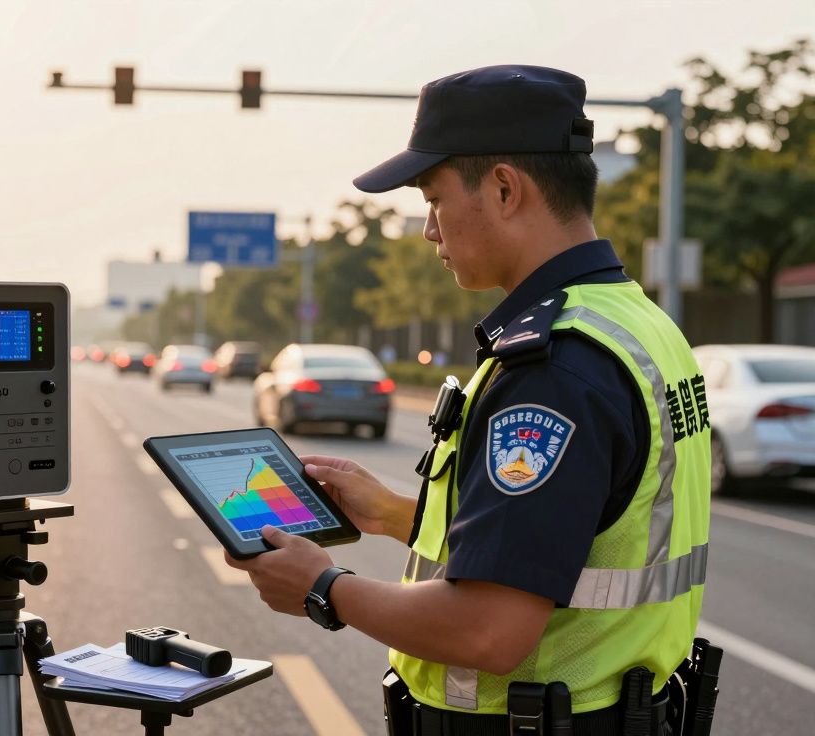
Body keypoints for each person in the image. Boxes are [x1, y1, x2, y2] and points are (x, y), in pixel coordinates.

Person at [225, 65, 711, 733]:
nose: (429, 229)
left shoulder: (554, 370)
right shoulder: (639, 323)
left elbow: (489, 632)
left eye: (433, 198)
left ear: (505, 188)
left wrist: (323, 588)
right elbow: (569, 539)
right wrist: (397, 514)